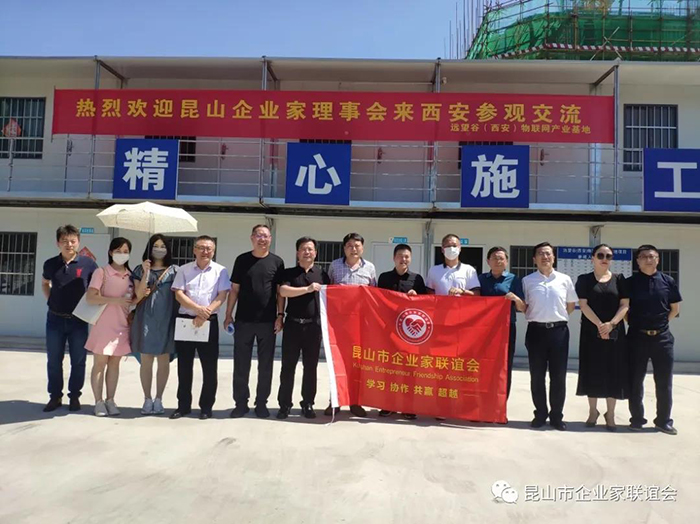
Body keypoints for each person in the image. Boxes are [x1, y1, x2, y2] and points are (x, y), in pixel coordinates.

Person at [224, 224, 285, 419]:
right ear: (252, 238)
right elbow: (234, 289)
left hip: (267, 322)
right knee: (241, 365)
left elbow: (280, 292)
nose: (262, 239)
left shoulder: (277, 262)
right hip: (243, 321)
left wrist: (280, 315)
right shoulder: (242, 260)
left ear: (270, 239)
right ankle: (241, 403)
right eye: (259, 235)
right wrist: (228, 314)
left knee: (265, 365)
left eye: (266, 236)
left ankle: (261, 403)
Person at [170, 235, 230, 420]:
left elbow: (222, 295)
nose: (205, 251)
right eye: (201, 248)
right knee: (184, 366)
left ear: (214, 251)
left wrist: (205, 313)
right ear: (194, 250)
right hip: (186, 321)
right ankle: (183, 406)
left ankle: (206, 406)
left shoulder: (220, 270)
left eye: (209, 248)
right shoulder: (184, 269)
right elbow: (179, 294)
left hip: (209, 321)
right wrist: (197, 310)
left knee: (209, 367)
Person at [41, 225, 98, 412]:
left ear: (78, 242)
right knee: (54, 360)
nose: (69, 244)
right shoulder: (50, 264)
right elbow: (45, 283)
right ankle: (55, 396)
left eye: (73, 241)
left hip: (78, 321)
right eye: (64, 241)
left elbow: (96, 288)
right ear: (58, 243)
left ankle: (74, 396)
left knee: (78, 361)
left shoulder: (88, 265)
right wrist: (50, 300)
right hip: (55, 320)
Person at [626, 244, 682, 435]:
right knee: (635, 380)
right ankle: (636, 419)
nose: (648, 260)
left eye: (652, 256)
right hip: (637, 337)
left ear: (657, 259)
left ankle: (663, 421)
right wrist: (637, 325)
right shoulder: (630, 283)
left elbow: (675, 309)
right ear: (638, 261)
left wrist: (660, 326)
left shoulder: (668, 281)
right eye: (644, 257)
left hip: (662, 339)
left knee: (664, 382)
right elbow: (625, 310)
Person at [522, 242, 578, 431]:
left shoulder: (564, 279)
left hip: (558, 332)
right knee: (537, 376)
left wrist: (555, 318)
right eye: (540, 254)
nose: (545, 257)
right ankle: (540, 414)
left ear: (554, 257)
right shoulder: (527, 281)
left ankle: (556, 416)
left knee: (558, 376)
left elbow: (570, 306)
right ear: (534, 259)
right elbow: (524, 306)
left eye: (548, 254)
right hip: (535, 332)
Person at [575, 244, 630, 432]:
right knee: (592, 370)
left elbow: (625, 305)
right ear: (592, 258)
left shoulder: (619, 279)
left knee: (613, 370)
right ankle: (593, 411)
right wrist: (600, 325)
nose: (604, 259)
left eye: (608, 256)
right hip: (591, 332)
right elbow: (583, 305)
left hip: (615, 332)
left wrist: (611, 324)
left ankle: (611, 414)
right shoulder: (584, 279)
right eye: (600, 255)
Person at [276, 237, 330, 420]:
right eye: (303, 249)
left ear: (316, 253)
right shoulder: (289, 273)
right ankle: (284, 405)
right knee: (288, 367)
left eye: (310, 249)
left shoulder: (322, 275)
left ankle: (307, 403)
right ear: (297, 253)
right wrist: (307, 289)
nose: (307, 252)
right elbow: (283, 291)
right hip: (293, 325)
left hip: (313, 327)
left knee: (310, 367)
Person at [325, 232, 377, 417]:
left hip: (360, 325)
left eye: (357, 245)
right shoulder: (335, 266)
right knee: (337, 362)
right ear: (344, 248)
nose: (353, 249)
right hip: (338, 324)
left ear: (362, 248)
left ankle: (355, 402)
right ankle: (335, 401)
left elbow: (373, 294)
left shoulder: (370, 268)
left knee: (357, 364)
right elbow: (328, 290)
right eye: (349, 245)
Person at [377, 243, 427, 420]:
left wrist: (416, 297)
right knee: (389, 368)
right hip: (389, 330)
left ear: (410, 259)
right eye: (400, 256)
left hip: (409, 332)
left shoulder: (417, 279)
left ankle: (408, 406)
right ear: (394, 258)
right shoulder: (384, 278)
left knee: (409, 369)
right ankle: (388, 404)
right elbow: (378, 300)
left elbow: (426, 304)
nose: (403, 259)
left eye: (406, 256)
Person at [130, 234, 179, 416]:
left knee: (163, 360)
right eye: (155, 246)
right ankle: (147, 398)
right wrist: (146, 272)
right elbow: (139, 294)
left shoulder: (175, 271)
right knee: (146, 360)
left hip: (167, 318)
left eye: (162, 246)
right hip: (145, 318)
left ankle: (159, 399)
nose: (159, 249)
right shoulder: (139, 269)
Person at [85, 237, 134, 417]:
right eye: (118, 251)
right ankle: (98, 402)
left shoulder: (131, 275)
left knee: (115, 364)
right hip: (103, 325)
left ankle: (110, 400)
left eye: (125, 251)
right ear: (110, 252)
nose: (122, 254)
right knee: (100, 364)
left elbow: (133, 299)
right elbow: (91, 297)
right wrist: (115, 301)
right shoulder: (101, 272)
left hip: (122, 325)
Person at [478, 246, 525, 399]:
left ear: (506, 261)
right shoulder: (481, 279)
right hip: (485, 329)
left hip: (507, 328)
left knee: (505, 364)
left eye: (501, 258)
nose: (498, 261)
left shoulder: (514, 279)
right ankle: (484, 399)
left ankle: (501, 401)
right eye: (494, 258)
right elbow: (474, 301)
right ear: (488, 261)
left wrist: (515, 298)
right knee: (484, 364)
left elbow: (523, 307)